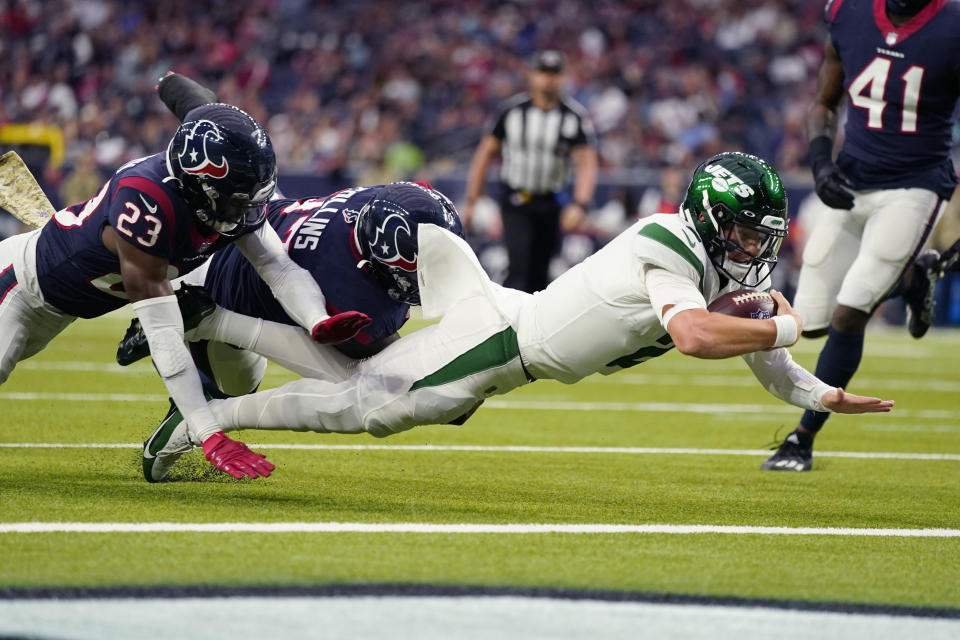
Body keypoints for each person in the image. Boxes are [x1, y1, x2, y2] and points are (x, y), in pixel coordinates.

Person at [142, 153, 894, 481]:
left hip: (508, 312)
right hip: (506, 341)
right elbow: (699, 337)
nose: (755, 250)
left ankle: (211, 319)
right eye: (748, 233)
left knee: (359, 380)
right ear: (711, 216)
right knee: (363, 404)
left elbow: (755, 352)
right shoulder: (670, 242)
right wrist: (790, 324)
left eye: (763, 236)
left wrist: (818, 394)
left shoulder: (705, 257)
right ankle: (207, 414)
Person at [0, 101, 372, 481]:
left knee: (237, 366)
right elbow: (164, 332)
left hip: (67, 302)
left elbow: (276, 265)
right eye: (235, 198)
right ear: (200, 182)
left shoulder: (219, 198)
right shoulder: (146, 202)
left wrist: (317, 320)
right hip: (20, 287)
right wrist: (209, 433)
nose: (244, 209)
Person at [116, 74, 463, 404]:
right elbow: (404, 381)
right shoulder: (351, 295)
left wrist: (172, 85)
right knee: (238, 388)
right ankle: (192, 323)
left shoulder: (383, 200)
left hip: (273, 217)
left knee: (233, 140)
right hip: (219, 283)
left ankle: (168, 81)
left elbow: (421, 209)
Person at [762, 0, 960, 472]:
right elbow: (824, 102)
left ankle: (801, 440)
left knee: (851, 311)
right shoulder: (847, 12)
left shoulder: (952, 23)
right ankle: (913, 281)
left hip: (915, 184)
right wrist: (820, 162)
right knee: (806, 323)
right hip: (851, 180)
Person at [463, 50, 598, 293]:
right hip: (517, 198)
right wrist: (472, 199)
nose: (549, 80)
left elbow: (586, 162)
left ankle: (533, 326)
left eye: (554, 74)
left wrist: (580, 203)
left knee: (541, 269)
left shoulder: (574, 117)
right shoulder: (511, 111)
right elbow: (484, 153)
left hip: (551, 201)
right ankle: (510, 325)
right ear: (531, 75)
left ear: (563, 77)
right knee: (520, 266)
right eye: (543, 73)